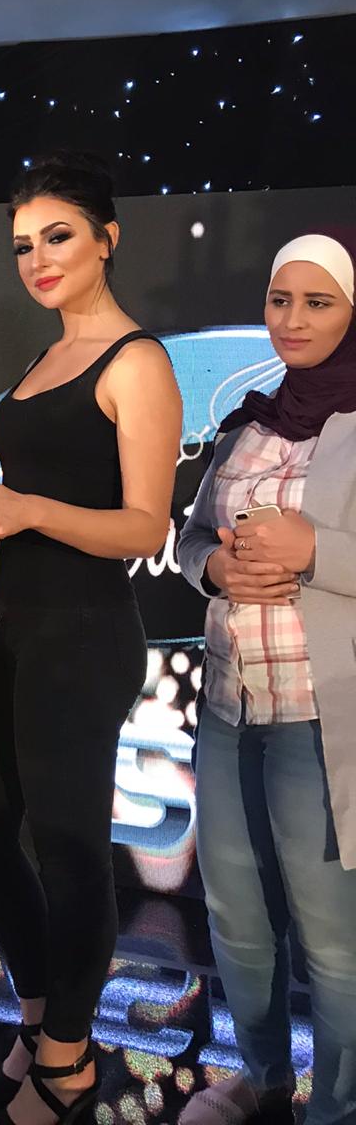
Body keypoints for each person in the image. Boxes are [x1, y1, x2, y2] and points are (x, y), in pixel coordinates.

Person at [0, 151, 181, 1125]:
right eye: (23, 245)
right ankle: (43, 1011)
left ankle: (68, 1060)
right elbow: (7, 511)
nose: (39, 259)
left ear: (107, 239)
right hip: (13, 629)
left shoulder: (137, 361)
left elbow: (144, 526)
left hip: (84, 636)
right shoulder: (43, 359)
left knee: (69, 847)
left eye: (58, 236)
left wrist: (28, 508)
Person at [177, 234, 356, 1125]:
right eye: (281, 300)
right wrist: (213, 567)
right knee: (238, 921)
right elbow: (189, 539)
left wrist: (314, 547)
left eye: (318, 303)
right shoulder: (249, 420)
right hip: (227, 710)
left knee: (332, 939)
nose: (293, 319)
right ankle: (262, 1078)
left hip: (321, 719)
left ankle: (336, 1106)